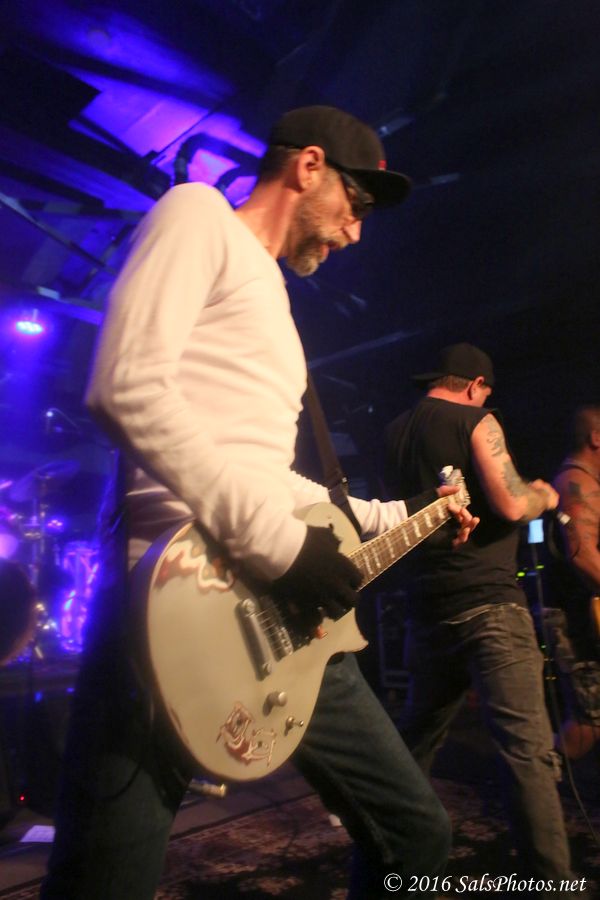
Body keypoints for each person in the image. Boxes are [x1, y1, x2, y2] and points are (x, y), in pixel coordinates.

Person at [41, 106, 477, 900]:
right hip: (173, 609)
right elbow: (125, 386)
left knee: (416, 832)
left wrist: (409, 514)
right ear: (309, 166)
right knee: (104, 882)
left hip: (277, 615)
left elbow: (268, 475)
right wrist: (281, 548)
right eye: (355, 205)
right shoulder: (198, 213)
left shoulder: (273, 301)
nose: (354, 233)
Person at [383, 342, 576, 890]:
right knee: (525, 753)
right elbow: (511, 503)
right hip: (489, 604)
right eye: (485, 392)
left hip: (427, 609)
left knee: (413, 752)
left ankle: (389, 875)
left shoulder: (394, 432)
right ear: (474, 386)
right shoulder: (477, 419)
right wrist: (542, 495)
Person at [544, 405, 600, 759]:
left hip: (585, 615)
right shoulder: (574, 484)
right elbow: (582, 556)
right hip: (573, 618)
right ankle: (542, 778)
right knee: (588, 719)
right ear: (596, 437)